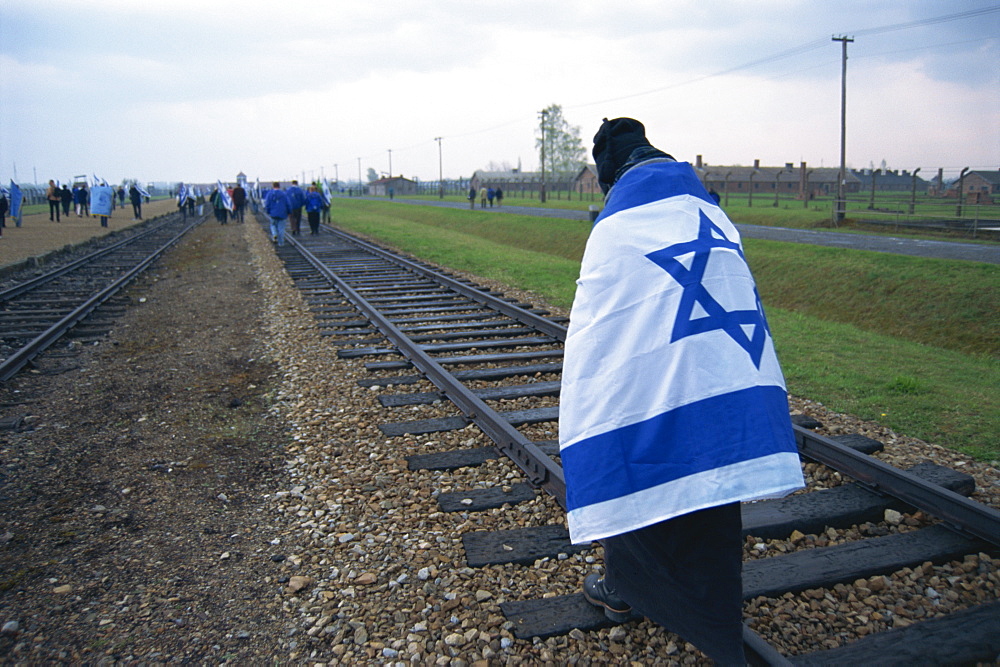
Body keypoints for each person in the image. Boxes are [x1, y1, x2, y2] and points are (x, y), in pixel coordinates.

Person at [560, 118, 805, 665]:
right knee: (712, 479)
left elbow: (602, 325)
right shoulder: (710, 213)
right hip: (726, 375)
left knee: (642, 462)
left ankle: (627, 588)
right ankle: (696, 603)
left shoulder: (617, 227)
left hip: (655, 386)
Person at [264, 181, 291, 246]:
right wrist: (289, 212)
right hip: (282, 213)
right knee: (281, 228)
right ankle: (281, 243)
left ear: (273, 186)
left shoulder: (269, 194)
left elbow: (267, 204)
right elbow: (288, 204)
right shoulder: (284, 194)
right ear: (279, 186)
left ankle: (274, 234)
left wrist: (268, 211)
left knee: (273, 225)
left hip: (273, 213)